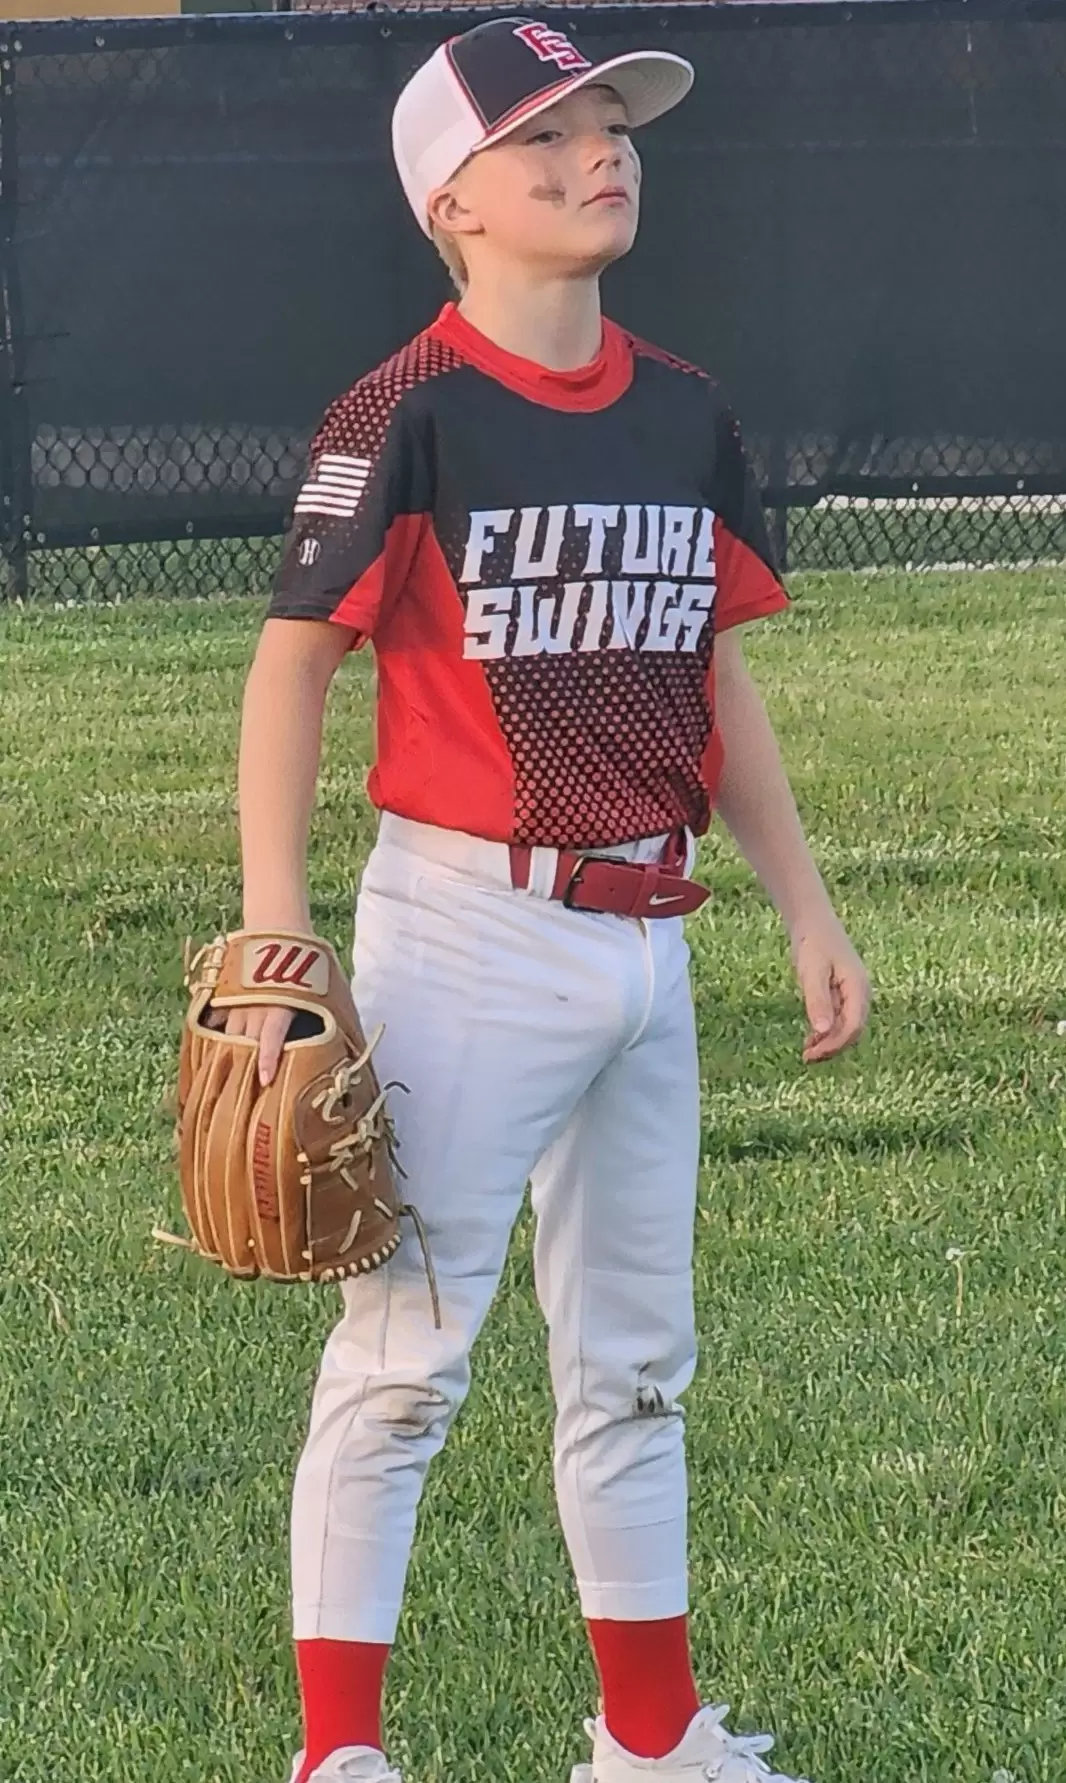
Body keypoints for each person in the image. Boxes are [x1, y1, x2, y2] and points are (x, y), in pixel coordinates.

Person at [228, 17, 871, 1783]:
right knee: (405, 1351)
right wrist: (277, 924)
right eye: (545, 140)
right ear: (451, 202)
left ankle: (651, 1742)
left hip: (646, 937)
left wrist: (802, 903)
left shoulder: (682, 406)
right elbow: (292, 666)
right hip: (464, 931)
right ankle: (339, 1757)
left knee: (636, 1359)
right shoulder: (407, 409)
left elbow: (710, 674)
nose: (599, 155)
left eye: (610, 128)